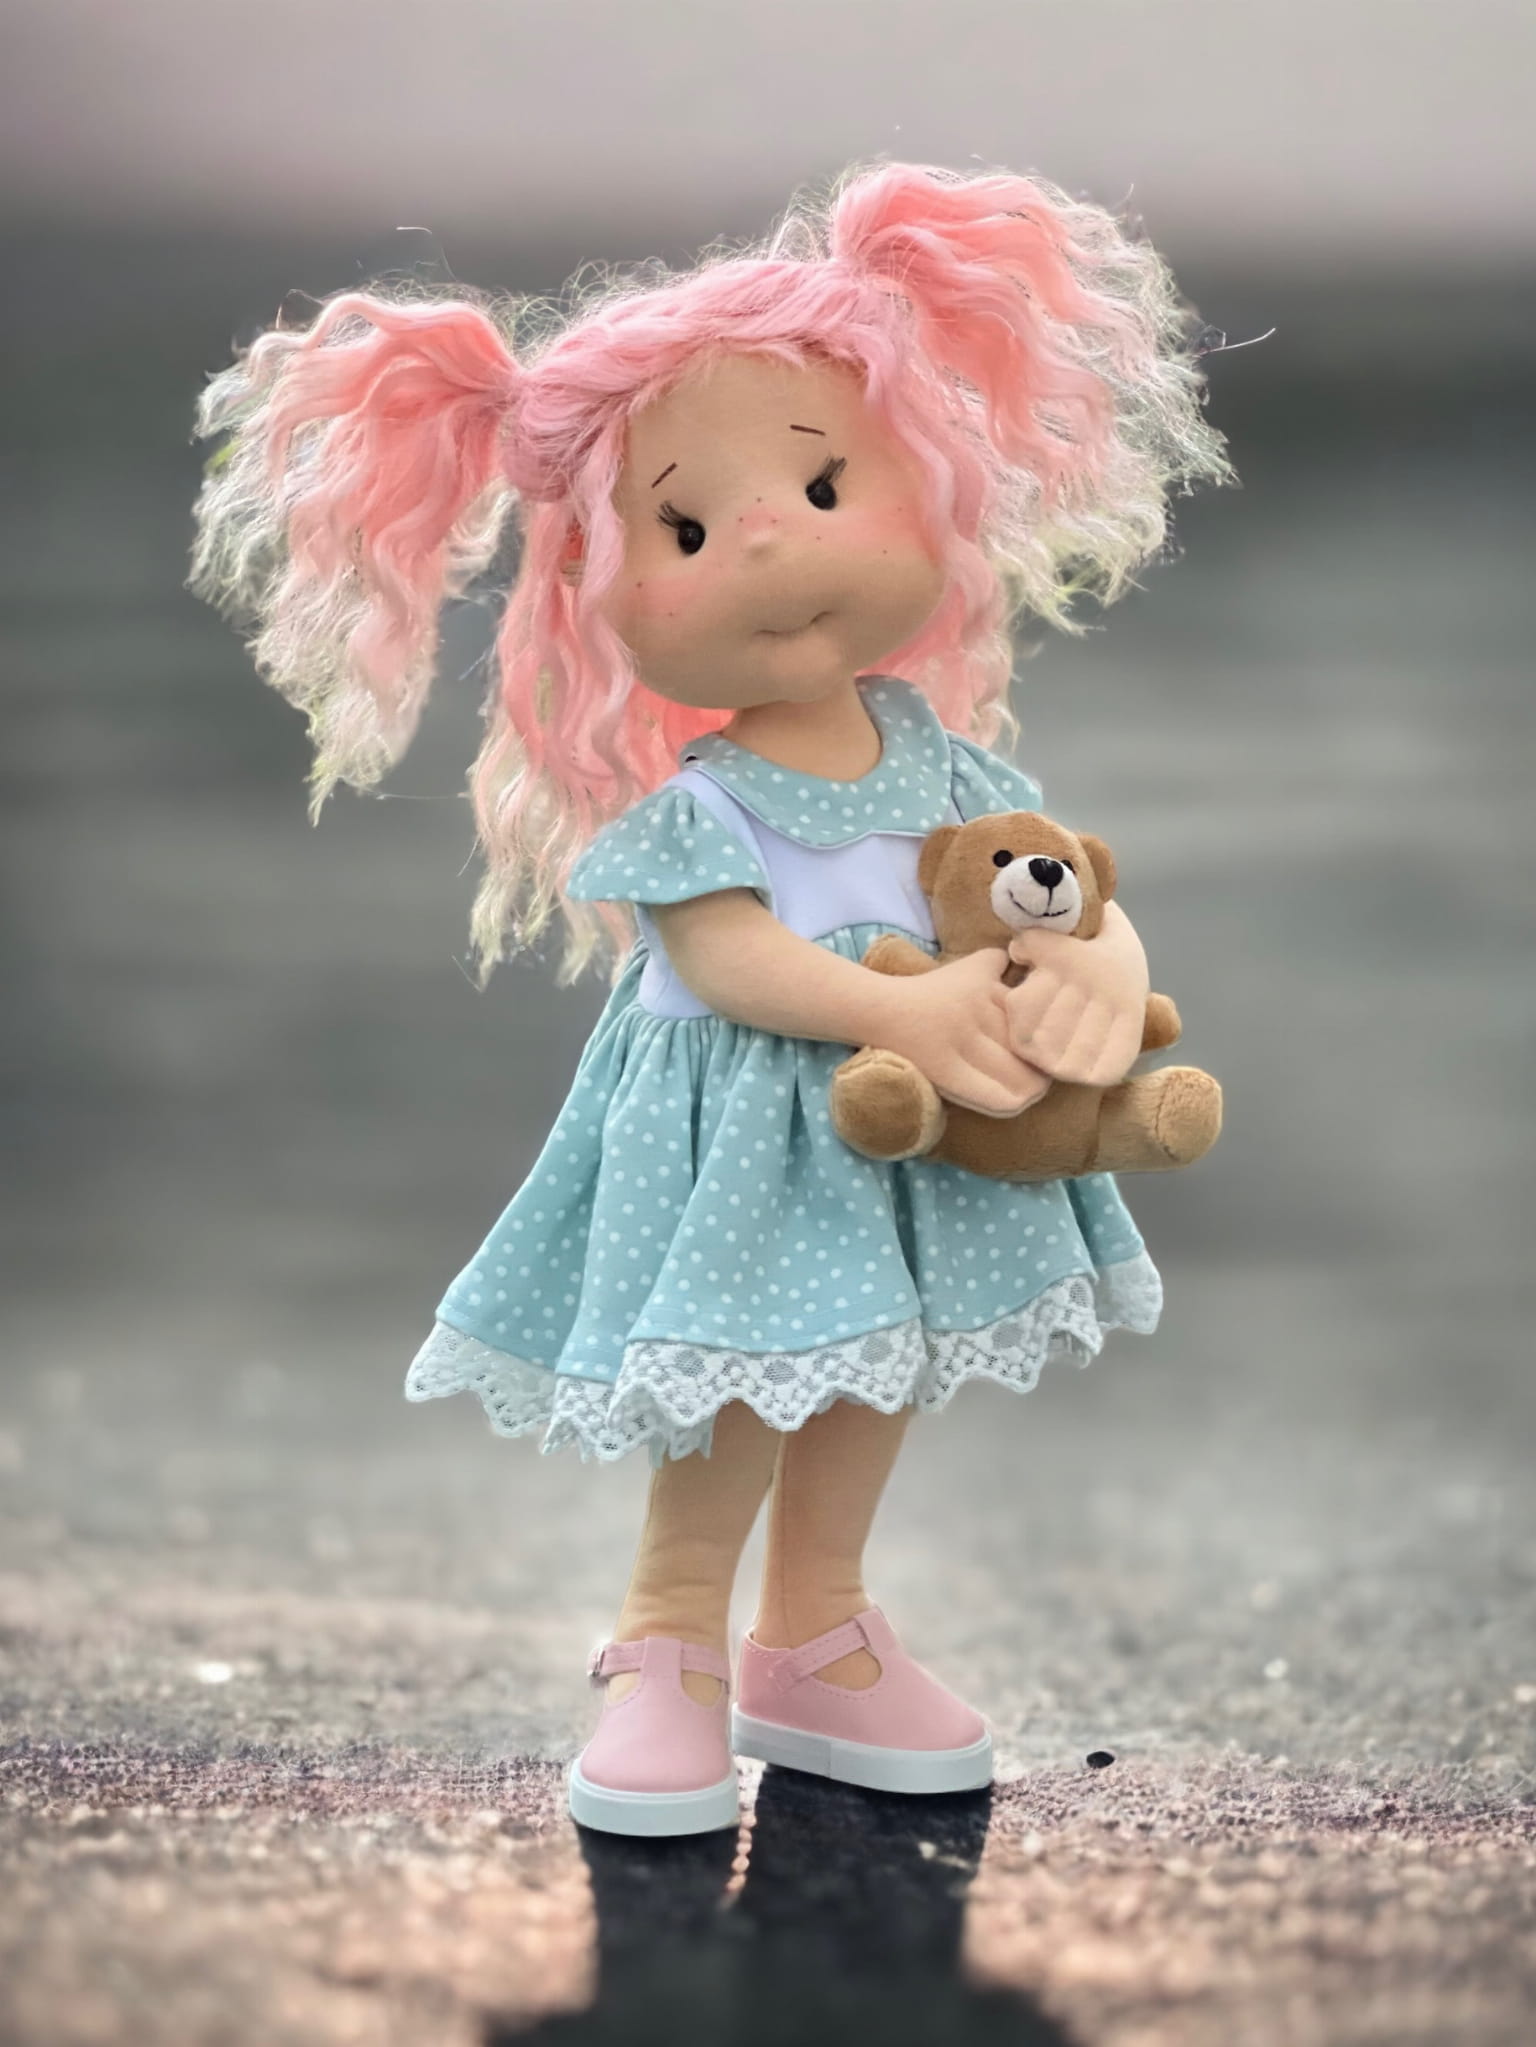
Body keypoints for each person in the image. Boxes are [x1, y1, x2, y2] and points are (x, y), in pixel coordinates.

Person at [190, 161, 1230, 1836]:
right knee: (737, 1391)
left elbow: (1054, 883)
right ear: (599, 588)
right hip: (748, 1132)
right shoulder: (712, 797)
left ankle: (816, 1634)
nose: (764, 538)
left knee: (876, 1372)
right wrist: (902, 1017)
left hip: (908, 1139)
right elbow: (720, 953)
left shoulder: (937, 756)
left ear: (925, 484)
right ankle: (668, 1643)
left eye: (824, 485)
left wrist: (1106, 976)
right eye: (682, 528)